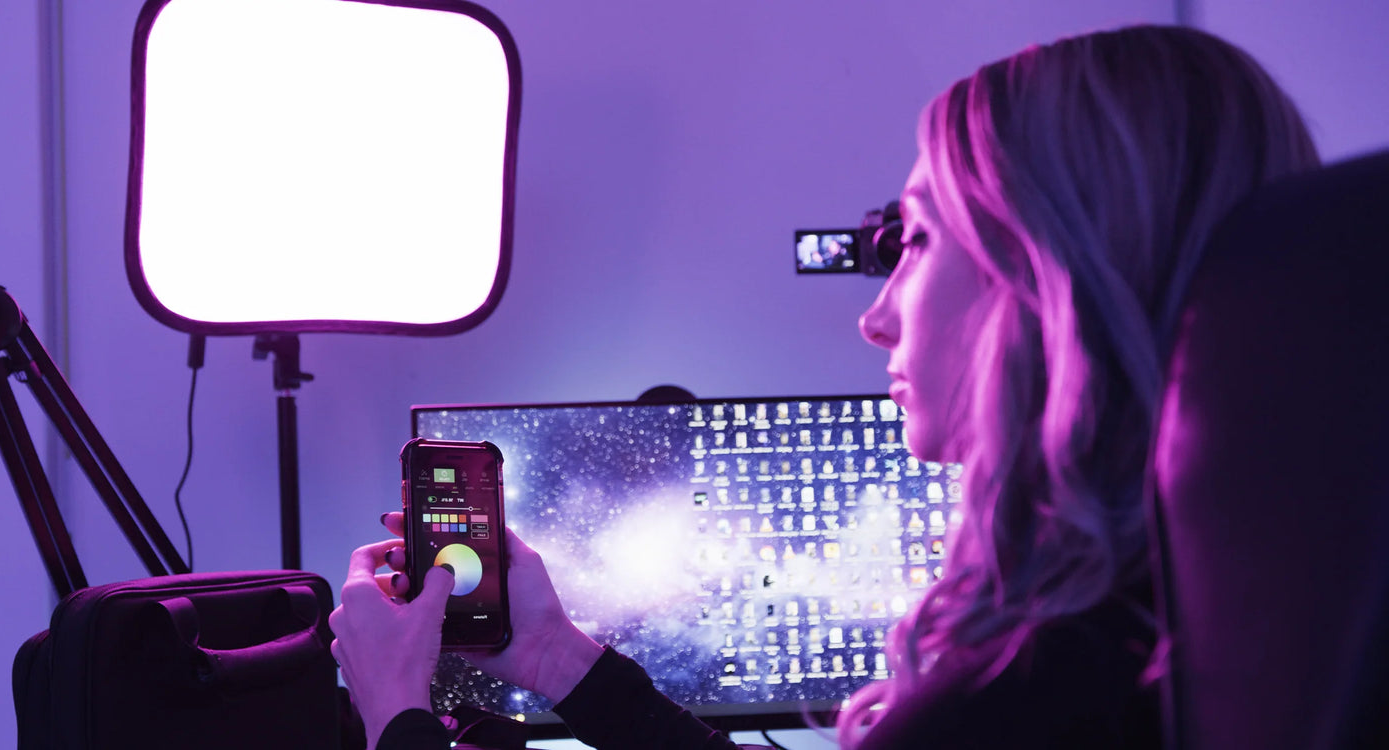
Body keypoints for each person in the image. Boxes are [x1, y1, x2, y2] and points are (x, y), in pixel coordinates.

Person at [329, 24, 1318, 750]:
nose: (875, 313)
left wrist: (397, 711)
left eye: (919, 239)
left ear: (1048, 282)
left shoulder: (1036, 691)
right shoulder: (1223, 621)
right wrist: (552, 658)